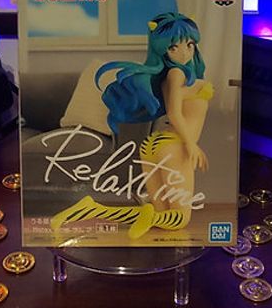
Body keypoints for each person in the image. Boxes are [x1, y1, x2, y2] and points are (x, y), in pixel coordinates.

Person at [50, 12, 212, 240]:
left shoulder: (168, 75)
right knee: (180, 219)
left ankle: (90, 209)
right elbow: (175, 114)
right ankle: (146, 216)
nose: (184, 52)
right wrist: (191, 144)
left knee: (161, 214)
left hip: (153, 146)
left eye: (190, 44)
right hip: (174, 146)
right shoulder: (177, 74)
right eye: (174, 47)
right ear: (163, 50)